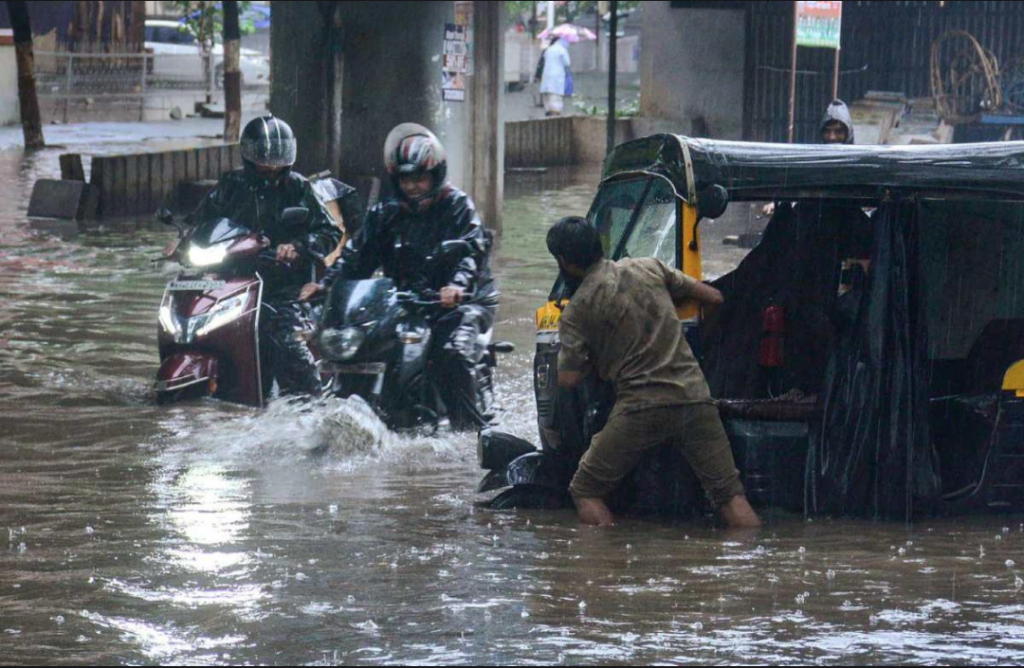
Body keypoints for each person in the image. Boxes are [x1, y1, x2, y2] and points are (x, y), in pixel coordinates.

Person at [546, 216, 762, 528]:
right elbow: (714, 298)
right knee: (729, 495)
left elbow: (568, 379)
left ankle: (604, 566)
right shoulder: (648, 267)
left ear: (564, 262)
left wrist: (597, 355)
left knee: (585, 489)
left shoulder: (577, 310)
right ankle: (755, 561)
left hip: (641, 407)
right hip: (694, 397)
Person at [300, 123, 498, 430]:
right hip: (404, 302)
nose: (413, 186)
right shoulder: (385, 214)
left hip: (458, 302)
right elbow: (356, 256)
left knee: (452, 354)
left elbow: (471, 251)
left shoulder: (457, 206)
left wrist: (457, 286)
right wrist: (325, 285)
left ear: (435, 174)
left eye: (419, 178)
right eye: (406, 179)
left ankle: (470, 433)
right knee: (365, 340)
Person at [188, 115, 340, 397]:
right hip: (232, 280)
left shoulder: (299, 187)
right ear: (248, 156)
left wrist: (298, 246)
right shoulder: (230, 184)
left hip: (282, 287)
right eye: (264, 159)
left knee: (288, 340)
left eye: (277, 159)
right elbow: (202, 221)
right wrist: (182, 241)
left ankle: (311, 405)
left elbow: (330, 233)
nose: (271, 166)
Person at [539, 36, 571, 117]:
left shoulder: (548, 49)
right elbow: (567, 63)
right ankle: (555, 115)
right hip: (557, 76)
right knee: (556, 97)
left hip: (546, 76)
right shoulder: (562, 50)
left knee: (547, 96)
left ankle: (548, 111)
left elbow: (544, 59)